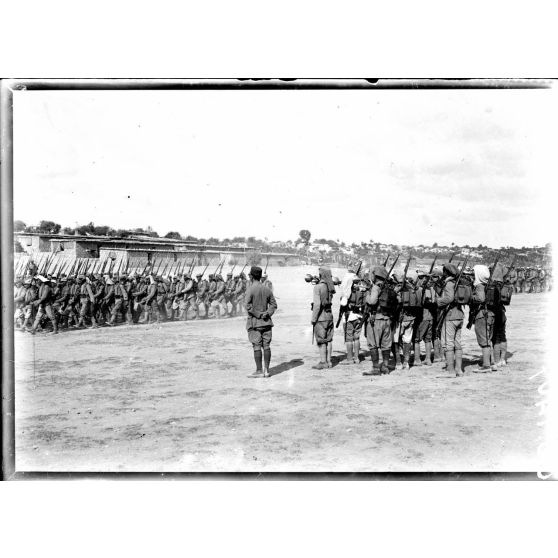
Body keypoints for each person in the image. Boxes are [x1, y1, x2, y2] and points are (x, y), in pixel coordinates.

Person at [245, 266, 277, 378]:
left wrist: (258, 314)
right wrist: (267, 313)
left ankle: (259, 371)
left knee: (257, 346)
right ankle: (267, 370)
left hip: (255, 323)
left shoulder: (250, 289)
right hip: (267, 322)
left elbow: (247, 306)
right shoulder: (267, 289)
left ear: (251, 276)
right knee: (266, 345)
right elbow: (274, 305)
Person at [363, 265, 395, 376]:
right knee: (386, 345)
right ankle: (385, 366)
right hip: (387, 319)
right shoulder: (388, 287)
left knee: (373, 344)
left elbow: (372, 301)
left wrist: (367, 295)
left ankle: (375, 368)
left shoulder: (376, 287)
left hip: (376, 319)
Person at [436, 263, 464, 377]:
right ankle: (459, 369)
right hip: (459, 314)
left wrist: (438, 301)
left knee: (449, 344)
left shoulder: (449, 283)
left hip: (450, 315)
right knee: (457, 343)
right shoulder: (458, 283)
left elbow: (449, 298)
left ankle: (451, 371)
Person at [469, 264, 498, 372]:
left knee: (484, 340)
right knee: (488, 339)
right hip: (490, 314)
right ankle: (491, 363)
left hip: (482, 315)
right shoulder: (489, 285)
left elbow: (480, 298)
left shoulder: (480, 286)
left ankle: (486, 365)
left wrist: (470, 297)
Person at [311, 267, 335, 369]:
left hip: (321, 317)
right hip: (329, 316)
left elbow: (317, 305)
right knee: (329, 339)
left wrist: (313, 318)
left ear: (321, 275)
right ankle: (329, 361)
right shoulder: (330, 287)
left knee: (321, 340)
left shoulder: (318, 287)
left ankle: (323, 362)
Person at [339, 264, 363, 365]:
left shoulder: (348, 292)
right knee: (356, 338)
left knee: (349, 338)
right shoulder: (361, 291)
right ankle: (356, 358)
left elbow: (343, 303)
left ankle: (349, 358)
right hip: (359, 316)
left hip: (350, 316)